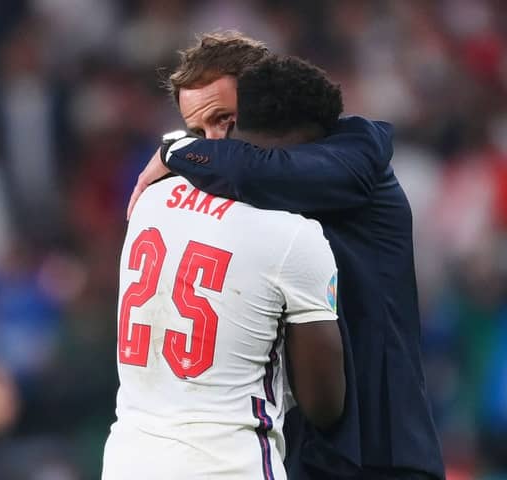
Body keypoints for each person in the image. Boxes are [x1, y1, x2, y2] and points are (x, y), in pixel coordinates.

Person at [128, 31, 444, 480]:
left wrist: (178, 149)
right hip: (293, 449)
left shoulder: (357, 149)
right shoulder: (232, 193)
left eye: (224, 118)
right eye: (199, 130)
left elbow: (264, 171)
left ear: (261, 96)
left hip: (380, 450)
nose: (215, 141)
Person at [102, 57, 347, 480]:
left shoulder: (150, 200)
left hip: (128, 459)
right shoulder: (292, 233)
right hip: (228, 463)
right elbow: (324, 405)